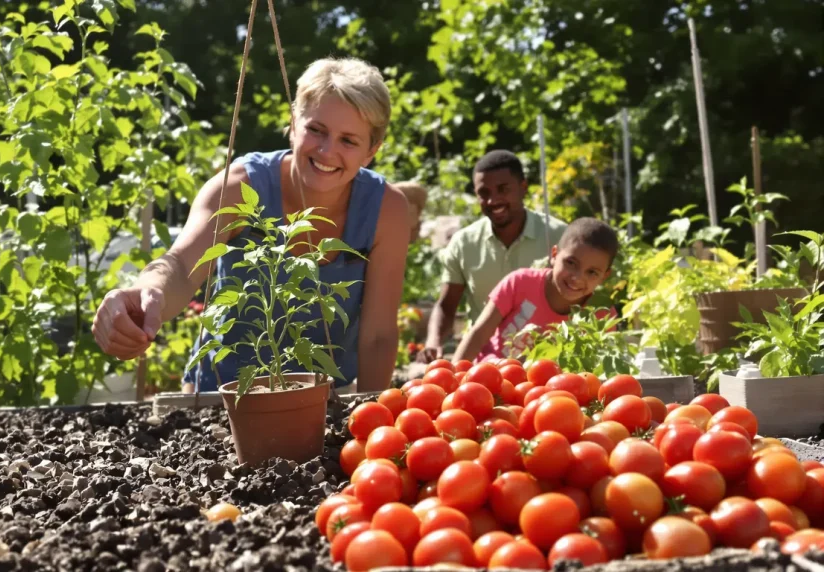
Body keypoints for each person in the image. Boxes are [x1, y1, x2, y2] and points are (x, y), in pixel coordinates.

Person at [91, 57, 410, 395]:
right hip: (222, 398)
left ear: (372, 150)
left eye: (349, 140)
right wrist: (147, 292)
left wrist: (372, 418)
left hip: (324, 403)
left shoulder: (386, 210)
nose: (327, 151)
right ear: (293, 123)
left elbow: (378, 336)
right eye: (316, 130)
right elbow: (183, 266)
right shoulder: (239, 187)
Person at [417, 150, 568, 363]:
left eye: (503, 189)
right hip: (485, 362)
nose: (493, 200)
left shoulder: (559, 237)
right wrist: (433, 342)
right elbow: (446, 305)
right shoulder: (464, 243)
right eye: (483, 192)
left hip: (547, 362)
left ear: (523, 187)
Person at [451, 217, 619, 362]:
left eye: (592, 272)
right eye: (570, 263)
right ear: (554, 255)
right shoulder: (520, 283)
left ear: (604, 276)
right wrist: (452, 376)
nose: (577, 277)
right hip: (492, 375)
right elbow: (478, 334)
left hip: (550, 392)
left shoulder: (601, 315)